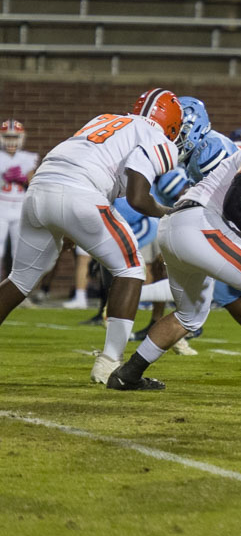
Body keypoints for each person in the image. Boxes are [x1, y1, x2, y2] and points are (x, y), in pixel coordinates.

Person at [106, 96, 241, 395]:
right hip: (201, 224)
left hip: (179, 226)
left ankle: (128, 374)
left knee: (189, 315)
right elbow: (237, 205)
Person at [0, 91, 182, 384]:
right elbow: (137, 196)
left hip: (39, 190)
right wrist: (169, 211)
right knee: (132, 268)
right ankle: (111, 363)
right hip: (79, 192)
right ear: (172, 125)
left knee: (20, 279)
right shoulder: (156, 136)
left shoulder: (105, 119)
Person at [0, 121, 38, 278]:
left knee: (19, 250)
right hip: (1, 206)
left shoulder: (27, 158)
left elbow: (34, 184)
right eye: (8, 137)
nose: (11, 141)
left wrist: (24, 178)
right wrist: (3, 180)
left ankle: (17, 289)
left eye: (15, 137)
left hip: (20, 207)